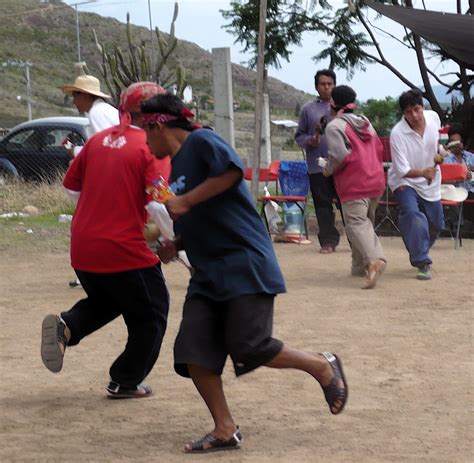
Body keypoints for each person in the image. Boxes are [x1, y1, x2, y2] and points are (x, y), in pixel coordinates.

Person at [140, 94, 348, 453]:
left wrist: (186, 201)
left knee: (250, 346)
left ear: (158, 125)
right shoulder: (176, 169)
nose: (145, 140)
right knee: (194, 351)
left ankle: (322, 366)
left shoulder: (202, 140)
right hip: (207, 271)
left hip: (243, 262)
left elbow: (233, 171)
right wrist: (177, 242)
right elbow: (205, 213)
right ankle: (225, 429)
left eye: (145, 130)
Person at [40, 82, 170, 399]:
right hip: (124, 249)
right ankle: (126, 380)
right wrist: (174, 241)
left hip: (83, 246)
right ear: (157, 115)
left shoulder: (97, 141)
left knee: (110, 300)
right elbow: (158, 204)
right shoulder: (153, 146)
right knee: (151, 314)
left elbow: (71, 188)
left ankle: (66, 326)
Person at [323, 85, 386, 289]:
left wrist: (327, 168)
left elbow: (340, 155)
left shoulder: (334, 126)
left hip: (354, 182)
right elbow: (379, 148)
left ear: (333, 103)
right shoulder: (365, 122)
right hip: (375, 178)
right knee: (365, 222)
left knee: (356, 223)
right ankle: (358, 267)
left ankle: (374, 260)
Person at [61, 74, 120, 288]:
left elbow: (110, 144)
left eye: (76, 95)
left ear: (86, 95)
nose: (74, 101)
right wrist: (76, 151)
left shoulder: (97, 113)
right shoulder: (105, 111)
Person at [388, 89, 444, 281]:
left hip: (431, 182)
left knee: (436, 223)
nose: (414, 115)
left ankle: (417, 245)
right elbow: (402, 170)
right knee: (412, 213)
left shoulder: (433, 118)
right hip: (405, 180)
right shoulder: (397, 134)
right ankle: (422, 262)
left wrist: (442, 151)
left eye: (417, 109)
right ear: (403, 113)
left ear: (423, 107)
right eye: (408, 112)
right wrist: (423, 172)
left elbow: (440, 141)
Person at [295, 69, 341, 254]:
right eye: (323, 84)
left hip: (341, 165)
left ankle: (357, 240)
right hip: (317, 166)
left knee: (346, 203)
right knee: (322, 204)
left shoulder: (342, 108)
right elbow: (299, 136)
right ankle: (328, 241)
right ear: (316, 86)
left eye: (330, 83)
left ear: (334, 85)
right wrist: (310, 141)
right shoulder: (308, 109)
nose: (327, 87)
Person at [444, 125, 474, 224]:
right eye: (454, 142)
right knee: (454, 203)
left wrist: (472, 174)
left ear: (463, 142)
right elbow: (443, 180)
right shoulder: (446, 160)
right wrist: (457, 178)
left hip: (471, 191)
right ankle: (458, 228)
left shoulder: (471, 157)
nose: (457, 145)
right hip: (455, 192)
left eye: (459, 142)